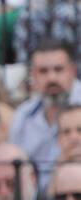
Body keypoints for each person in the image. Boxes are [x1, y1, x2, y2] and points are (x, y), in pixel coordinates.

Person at [10, 38, 81, 176]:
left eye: (58, 69)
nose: (51, 78)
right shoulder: (22, 117)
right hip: (34, 197)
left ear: (72, 71)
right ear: (33, 75)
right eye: (43, 71)